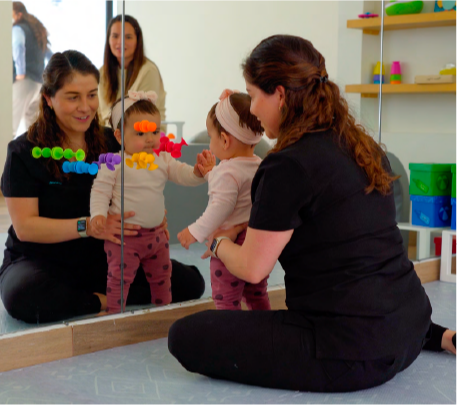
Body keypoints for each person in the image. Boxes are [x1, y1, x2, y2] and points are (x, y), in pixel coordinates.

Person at [168, 35, 457, 392]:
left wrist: (218, 243)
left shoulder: (286, 165)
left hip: (350, 352)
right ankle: (444, 337)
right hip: (411, 324)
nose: (253, 109)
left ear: (280, 95)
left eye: (253, 95)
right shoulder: (362, 146)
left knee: (185, 335)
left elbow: (252, 268)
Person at [0, 50, 205, 324]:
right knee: (23, 295)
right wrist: (89, 226)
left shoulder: (112, 141)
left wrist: (151, 215)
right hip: (41, 260)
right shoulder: (24, 151)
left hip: (106, 255)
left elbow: (143, 182)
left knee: (189, 283)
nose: (85, 107)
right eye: (73, 97)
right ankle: (103, 300)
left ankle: (94, 296)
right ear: (48, 98)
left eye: (92, 95)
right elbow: (26, 227)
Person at [90, 90, 213, 313]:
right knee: (119, 280)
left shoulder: (162, 158)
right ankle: (114, 315)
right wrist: (98, 215)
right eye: (140, 133)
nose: (149, 138)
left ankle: (162, 311)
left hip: (156, 236)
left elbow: (181, 174)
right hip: (124, 239)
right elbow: (100, 191)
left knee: (162, 278)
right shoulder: (115, 163)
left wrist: (197, 173)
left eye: (155, 131)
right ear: (119, 136)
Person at [177, 90, 270, 311]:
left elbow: (221, 206)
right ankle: (265, 325)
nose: (210, 143)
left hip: (229, 244)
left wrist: (195, 230)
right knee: (256, 294)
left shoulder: (226, 172)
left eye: (211, 137)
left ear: (225, 140)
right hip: (254, 239)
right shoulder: (258, 164)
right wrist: (212, 173)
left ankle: (230, 330)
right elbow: (232, 191)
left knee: (226, 298)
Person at [98, 15, 167, 129]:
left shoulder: (148, 71)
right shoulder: (102, 72)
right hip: (109, 135)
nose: (120, 42)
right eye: (115, 36)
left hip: (142, 134)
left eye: (128, 37)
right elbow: (100, 116)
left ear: (137, 41)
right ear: (108, 40)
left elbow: (141, 116)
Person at [12, 1, 49, 138]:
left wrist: (20, 72)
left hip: (24, 83)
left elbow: (18, 46)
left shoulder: (18, 29)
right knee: (33, 132)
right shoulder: (36, 32)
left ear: (19, 15)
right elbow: (49, 54)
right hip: (38, 85)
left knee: (9, 127)